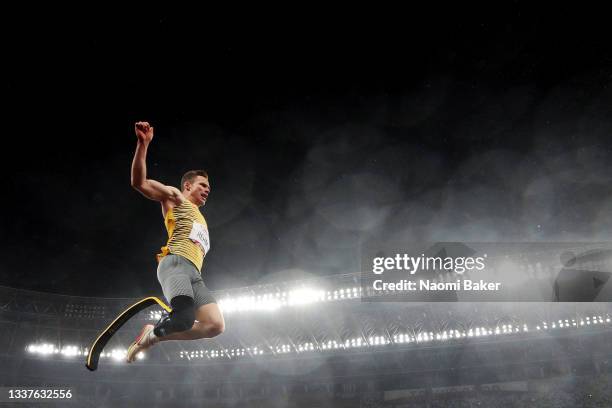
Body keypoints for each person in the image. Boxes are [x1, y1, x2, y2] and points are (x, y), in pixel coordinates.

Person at [126, 121, 225, 363]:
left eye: (209, 187)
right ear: (188, 185)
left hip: (195, 274)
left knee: (215, 325)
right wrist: (143, 144)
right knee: (183, 319)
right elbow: (139, 183)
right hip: (176, 264)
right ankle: (157, 332)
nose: (207, 189)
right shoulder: (176, 198)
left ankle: (153, 336)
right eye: (203, 185)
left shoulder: (201, 219)